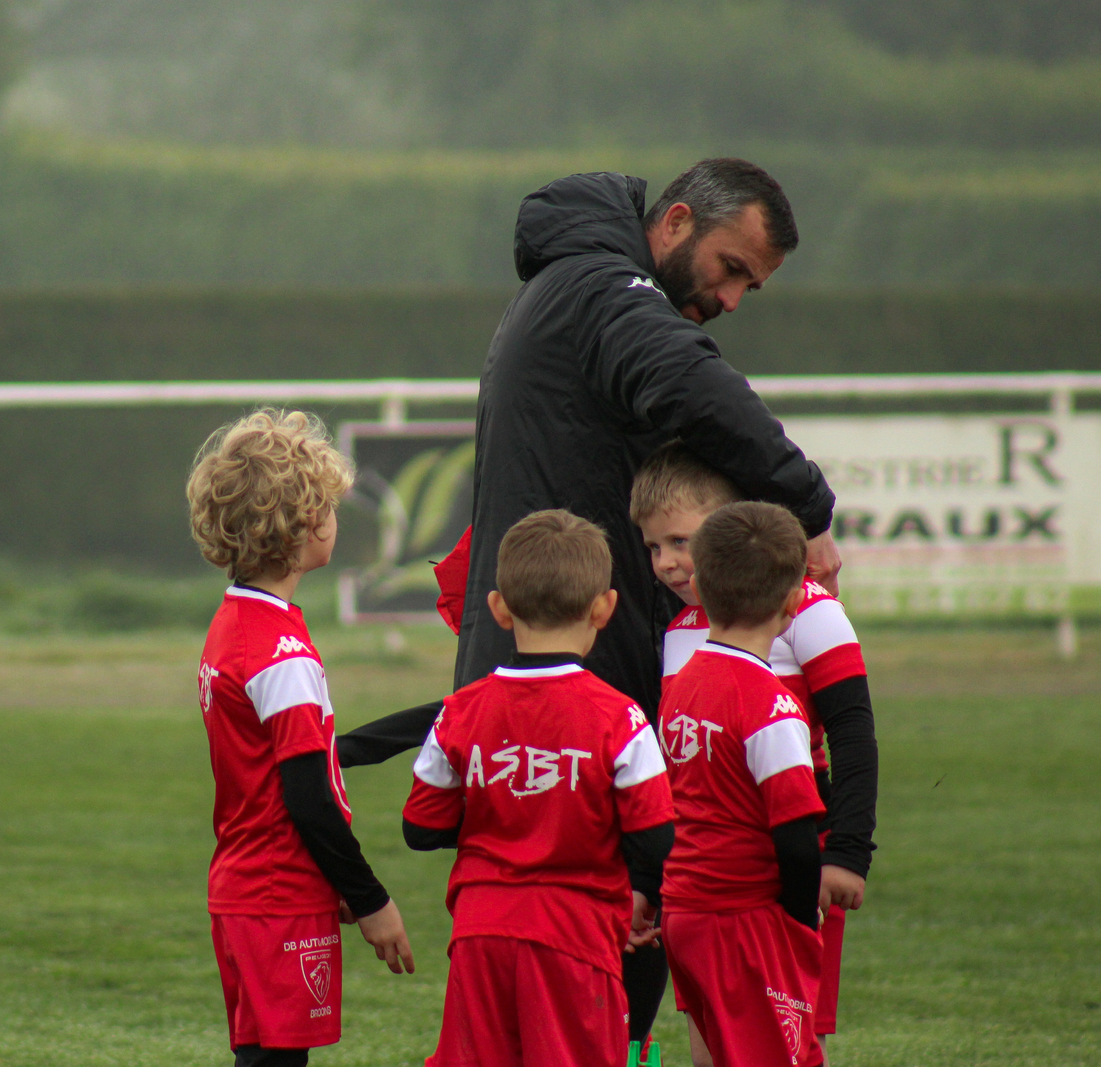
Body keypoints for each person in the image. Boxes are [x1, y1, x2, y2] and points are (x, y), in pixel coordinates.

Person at [341, 157, 840, 1043]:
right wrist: (807, 508)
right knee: (616, 939)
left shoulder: (571, 287)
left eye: (749, 287)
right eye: (730, 269)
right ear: (675, 223)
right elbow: (694, 386)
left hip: (531, 668)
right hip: (582, 668)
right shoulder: (609, 294)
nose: (731, 300)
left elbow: (425, 823)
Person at [632, 441, 877, 1064]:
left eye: (681, 541)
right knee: (710, 1036)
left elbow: (852, 731)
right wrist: (654, 878)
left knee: (792, 1032)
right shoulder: (682, 632)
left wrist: (847, 852)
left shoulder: (810, 610)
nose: (666, 562)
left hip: (790, 854)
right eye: (654, 547)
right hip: (702, 879)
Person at [402, 510, 674, 1067]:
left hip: (479, 932)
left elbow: (421, 829)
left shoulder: (458, 712)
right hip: (575, 935)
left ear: (498, 608)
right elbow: (655, 841)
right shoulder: (621, 719)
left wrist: (502, 803)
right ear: (604, 608)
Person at [187, 410, 414, 1067]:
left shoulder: (234, 623)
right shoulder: (280, 651)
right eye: (330, 506)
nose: (335, 518)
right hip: (276, 894)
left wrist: (431, 717)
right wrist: (372, 900)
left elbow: (304, 759)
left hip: (246, 888)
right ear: (303, 524)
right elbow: (308, 797)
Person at [657, 502, 827, 1067]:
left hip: (684, 911)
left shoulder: (682, 686)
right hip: (743, 919)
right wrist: (800, 921)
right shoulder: (771, 706)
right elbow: (797, 838)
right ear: (793, 604)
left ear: (699, 588)